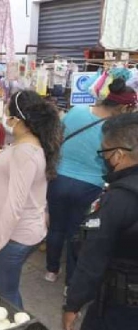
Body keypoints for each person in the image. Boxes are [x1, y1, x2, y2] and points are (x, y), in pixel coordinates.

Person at [62, 113, 138, 330]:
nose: (102, 159)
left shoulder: (118, 200)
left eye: (103, 153)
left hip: (119, 303)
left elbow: (92, 258)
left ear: (118, 154)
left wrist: (73, 304)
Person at [45, 78, 137, 288]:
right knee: (76, 234)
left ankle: (51, 270)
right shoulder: (114, 131)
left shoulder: (76, 111)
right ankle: (71, 283)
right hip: (90, 186)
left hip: (59, 179)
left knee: (56, 227)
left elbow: (57, 138)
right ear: (123, 107)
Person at [0, 91, 63, 308]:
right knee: (7, 289)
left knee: (7, 294)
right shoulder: (30, 145)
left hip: (12, 237)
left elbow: (15, 204)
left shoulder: (25, 152)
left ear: (20, 119)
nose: (6, 120)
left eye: (9, 115)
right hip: (21, 231)